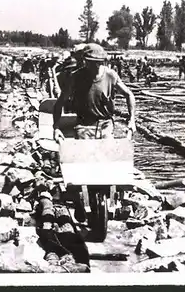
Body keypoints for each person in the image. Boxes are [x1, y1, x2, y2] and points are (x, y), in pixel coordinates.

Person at [53, 43, 136, 222]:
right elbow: (60, 102)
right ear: (84, 61)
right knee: (81, 168)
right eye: (91, 63)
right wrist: (56, 127)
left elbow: (129, 95)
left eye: (99, 63)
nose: (95, 66)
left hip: (105, 124)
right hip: (84, 125)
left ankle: (110, 199)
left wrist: (132, 120)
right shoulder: (75, 77)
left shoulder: (110, 75)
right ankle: (80, 200)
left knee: (107, 163)